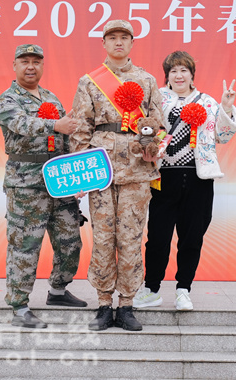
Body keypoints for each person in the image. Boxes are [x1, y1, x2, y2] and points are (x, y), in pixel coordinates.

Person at [70, 19, 165, 331]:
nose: (119, 42)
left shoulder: (147, 81)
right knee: (102, 238)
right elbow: (81, 128)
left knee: (131, 238)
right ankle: (103, 303)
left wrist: (153, 147)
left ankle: (126, 305)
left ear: (132, 42)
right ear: (104, 43)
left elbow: (158, 123)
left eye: (124, 37)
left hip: (137, 171)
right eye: (112, 37)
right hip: (101, 171)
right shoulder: (89, 82)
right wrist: (81, 174)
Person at [134, 51, 236, 311]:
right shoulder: (157, 98)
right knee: (157, 238)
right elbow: (144, 129)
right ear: (167, 76)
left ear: (192, 75)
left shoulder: (207, 102)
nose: (179, 75)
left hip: (198, 178)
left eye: (184, 70)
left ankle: (184, 289)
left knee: (192, 238)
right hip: (164, 178)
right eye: (173, 71)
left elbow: (222, 136)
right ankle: (151, 289)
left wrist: (226, 107)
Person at [0, 44, 88, 329]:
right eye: (25, 61)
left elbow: (66, 138)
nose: (30, 66)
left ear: (42, 66)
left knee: (70, 241)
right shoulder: (8, 99)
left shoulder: (51, 98)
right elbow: (21, 124)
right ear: (14, 65)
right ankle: (19, 306)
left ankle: (58, 291)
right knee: (25, 245)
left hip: (59, 181)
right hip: (26, 183)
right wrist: (55, 125)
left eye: (36, 62)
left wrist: (78, 177)